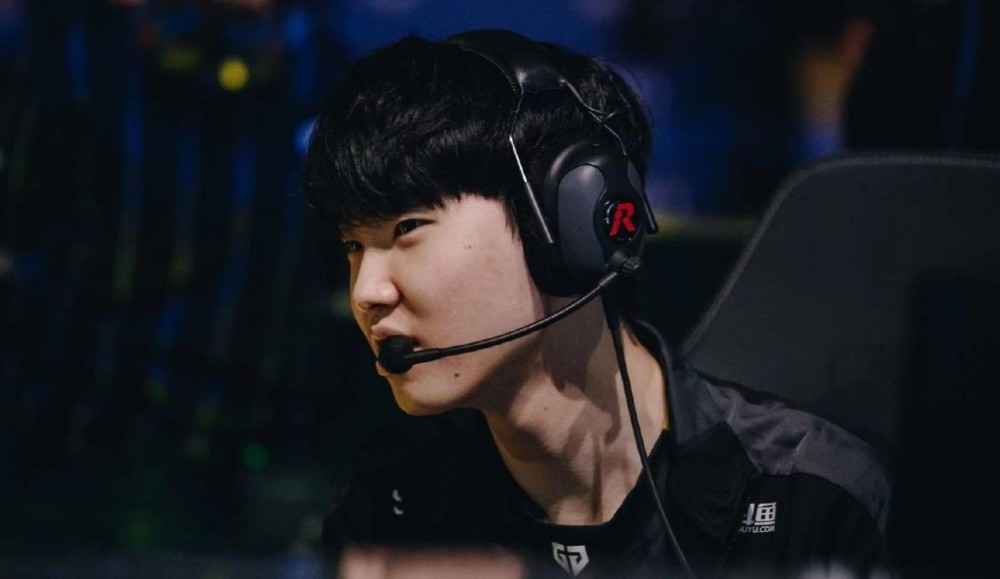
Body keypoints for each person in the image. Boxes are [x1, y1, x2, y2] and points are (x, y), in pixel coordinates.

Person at [303, 29, 891, 579]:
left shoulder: (809, 499)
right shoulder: (388, 518)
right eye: (353, 246)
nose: (367, 292)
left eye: (407, 228)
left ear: (575, 221)